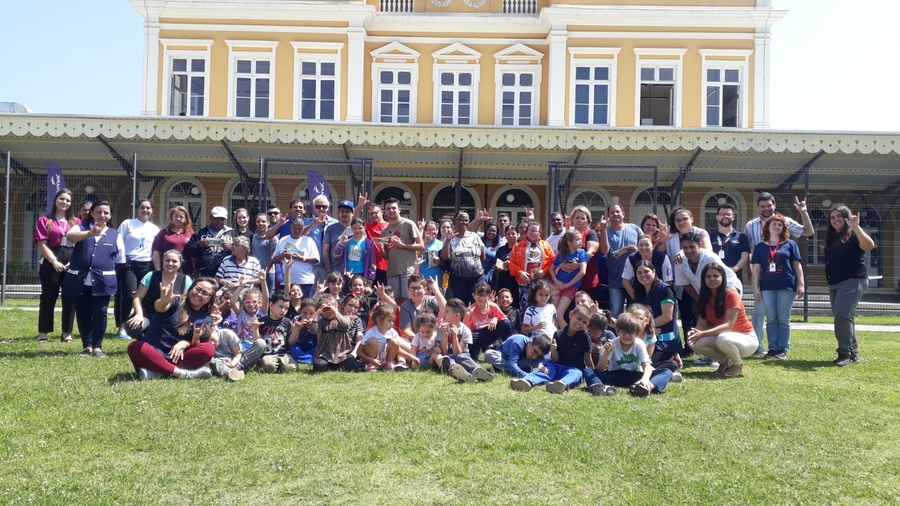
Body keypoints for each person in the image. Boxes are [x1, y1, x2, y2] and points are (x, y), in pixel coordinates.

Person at [743, 192, 814, 354]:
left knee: (780, 317)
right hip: (761, 275)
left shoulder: (784, 221)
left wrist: (803, 211)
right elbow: (748, 250)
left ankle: (781, 348)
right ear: (757, 208)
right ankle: (758, 346)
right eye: (762, 206)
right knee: (759, 313)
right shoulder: (751, 225)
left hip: (783, 277)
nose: (766, 209)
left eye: (769, 205)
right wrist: (750, 272)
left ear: (774, 205)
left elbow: (808, 232)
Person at [62, 200, 124, 357]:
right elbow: (70, 237)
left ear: (110, 215)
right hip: (79, 280)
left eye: (106, 213)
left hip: (103, 282)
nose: (102, 215)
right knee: (82, 313)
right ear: (91, 213)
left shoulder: (115, 234)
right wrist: (90, 233)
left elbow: (119, 260)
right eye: (98, 212)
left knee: (100, 312)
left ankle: (97, 346)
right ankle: (87, 345)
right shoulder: (80, 228)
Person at [126, 277, 219, 379]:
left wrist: (184, 343)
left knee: (209, 348)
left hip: (178, 358)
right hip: (154, 352)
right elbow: (160, 307)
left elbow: (197, 342)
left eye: (205, 293)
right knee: (135, 347)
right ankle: (180, 374)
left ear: (210, 299)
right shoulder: (176, 301)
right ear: (191, 288)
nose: (199, 294)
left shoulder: (205, 318)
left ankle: (160, 372)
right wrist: (164, 301)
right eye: (197, 289)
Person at [822, 204, 876, 366]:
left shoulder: (853, 234)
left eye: (839, 216)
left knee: (841, 315)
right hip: (835, 283)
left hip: (853, 281)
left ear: (847, 217)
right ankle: (852, 352)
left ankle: (844, 353)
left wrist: (856, 227)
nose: (835, 220)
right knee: (844, 317)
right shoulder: (832, 237)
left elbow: (869, 246)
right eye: (832, 217)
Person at [673, 231, 740, 361]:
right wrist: (701, 301)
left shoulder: (710, 257)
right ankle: (714, 356)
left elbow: (722, 279)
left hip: (728, 289)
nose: (688, 250)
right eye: (685, 247)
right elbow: (686, 285)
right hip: (706, 294)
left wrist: (716, 300)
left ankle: (729, 354)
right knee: (708, 323)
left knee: (722, 323)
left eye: (692, 247)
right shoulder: (680, 262)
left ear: (699, 245)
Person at [688, 263, 757, 377]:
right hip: (725, 338)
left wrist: (703, 333)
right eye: (708, 277)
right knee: (693, 341)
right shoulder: (704, 298)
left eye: (716, 276)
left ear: (722, 277)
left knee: (723, 338)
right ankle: (724, 363)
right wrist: (694, 333)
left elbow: (728, 326)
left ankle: (737, 365)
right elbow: (701, 324)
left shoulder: (731, 295)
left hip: (746, 340)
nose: (712, 279)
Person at [751, 214, 804, 359]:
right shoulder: (760, 246)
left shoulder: (790, 244)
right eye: (774, 224)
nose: (777, 227)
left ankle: (782, 349)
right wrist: (756, 288)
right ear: (767, 227)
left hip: (786, 286)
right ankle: (773, 348)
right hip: (766, 286)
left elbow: (797, 265)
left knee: (783, 318)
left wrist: (801, 284)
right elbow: (756, 270)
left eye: (780, 225)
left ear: (784, 228)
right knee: (771, 318)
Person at [584, 313, 674, 397]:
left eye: (631, 332)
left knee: (667, 372)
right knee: (588, 371)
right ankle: (601, 388)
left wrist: (645, 379)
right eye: (623, 332)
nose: (627, 336)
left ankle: (646, 387)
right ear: (617, 331)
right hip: (615, 375)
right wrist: (606, 353)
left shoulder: (639, 344)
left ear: (637, 334)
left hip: (636, 375)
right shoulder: (613, 343)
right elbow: (600, 369)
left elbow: (646, 366)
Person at [509, 305, 593, 394]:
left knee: (577, 374)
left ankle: (561, 384)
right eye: (578, 319)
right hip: (557, 366)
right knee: (547, 369)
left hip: (573, 368)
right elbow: (555, 359)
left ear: (587, 324)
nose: (580, 323)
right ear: (571, 314)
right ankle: (527, 381)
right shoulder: (558, 334)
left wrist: (593, 373)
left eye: (584, 322)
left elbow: (588, 357)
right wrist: (553, 351)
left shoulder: (585, 337)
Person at [34, 188, 78, 343]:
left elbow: (80, 246)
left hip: (71, 263)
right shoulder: (44, 220)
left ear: (71, 203)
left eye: (67, 200)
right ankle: (43, 333)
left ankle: (67, 332)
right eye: (61, 199)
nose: (64, 202)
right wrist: (54, 262)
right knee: (48, 297)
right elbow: (42, 244)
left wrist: (73, 262)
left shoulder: (76, 222)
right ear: (55, 200)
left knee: (70, 298)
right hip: (50, 262)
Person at [114, 199, 160, 339]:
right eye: (142, 208)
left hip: (147, 265)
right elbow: (118, 242)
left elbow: (156, 250)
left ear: (152, 210)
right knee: (128, 295)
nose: (145, 210)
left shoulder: (154, 229)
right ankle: (121, 327)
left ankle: (136, 324)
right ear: (137, 209)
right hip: (130, 264)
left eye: (148, 208)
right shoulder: (128, 224)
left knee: (144, 297)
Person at [125, 249, 192, 338]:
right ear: (162, 261)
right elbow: (137, 298)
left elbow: (186, 303)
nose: (170, 263)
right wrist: (138, 314)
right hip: (150, 315)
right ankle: (145, 341)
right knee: (133, 326)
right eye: (167, 260)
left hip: (172, 318)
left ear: (180, 264)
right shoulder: (151, 275)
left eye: (174, 261)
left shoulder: (186, 279)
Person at [631, 259, 681, 364]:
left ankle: (671, 362)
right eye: (639, 273)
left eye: (646, 271)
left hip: (665, 341)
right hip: (646, 337)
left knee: (646, 363)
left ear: (654, 271)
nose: (643, 275)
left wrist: (647, 327)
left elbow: (667, 316)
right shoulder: (640, 292)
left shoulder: (665, 290)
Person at [435, 298, 494, 383]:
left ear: (457, 316)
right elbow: (444, 352)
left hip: (462, 355)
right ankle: (463, 375)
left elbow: (458, 353)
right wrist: (445, 335)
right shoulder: (442, 328)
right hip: (449, 357)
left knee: (461, 358)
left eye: (447, 311)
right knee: (447, 360)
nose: (444, 313)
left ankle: (479, 371)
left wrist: (455, 337)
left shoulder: (465, 330)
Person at [379, 197, 424, 304]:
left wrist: (402, 245)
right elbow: (386, 256)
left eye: (393, 208)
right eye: (388, 208)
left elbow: (421, 246)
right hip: (392, 271)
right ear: (384, 211)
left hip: (408, 270)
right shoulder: (384, 231)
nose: (391, 210)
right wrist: (381, 249)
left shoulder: (408, 224)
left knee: (409, 300)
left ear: (399, 209)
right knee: (394, 301)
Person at [601, 203, 641, 317]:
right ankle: (614, 335)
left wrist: (637, 249)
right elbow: (604, 251)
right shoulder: (606, 232)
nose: (615, 214)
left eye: (618, 211)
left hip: (635, 281)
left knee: (635, 315)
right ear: (608, 216)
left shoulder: (634, 228)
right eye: (612, 212)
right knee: (615, 315)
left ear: (623, 214)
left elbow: (645, 247)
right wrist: (603, 230)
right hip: (615, 281)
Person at [312, 293, 365, 372]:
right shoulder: (321, 322)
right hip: (326, 354)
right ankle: (331, 366)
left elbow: (346, 324)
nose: (328, 311)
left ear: (336, 305)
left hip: (342, 354)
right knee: (318, 366)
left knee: (358, 368)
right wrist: (317, 314)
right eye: (325, 309)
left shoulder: (344, 318)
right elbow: (314, 331)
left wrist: (335, 312)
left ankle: (337, 365)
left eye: (330, 307)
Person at [441, 211, 485, 305]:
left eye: (466, 220)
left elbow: (482, 256)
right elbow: (445, 257)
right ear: (455, 221)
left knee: (477, 304)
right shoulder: (450, 238)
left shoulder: (475, 236)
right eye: (462, 220)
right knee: (461, 305)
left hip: (477, 278)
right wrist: (448, 241)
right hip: (458, 280)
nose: (464, 223)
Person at [509, 221, 555, 313]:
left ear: (539, 232)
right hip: (524, 283)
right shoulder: (518, 246)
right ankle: (525, 327)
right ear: (527, 232)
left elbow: (552, 261)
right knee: (525, 308)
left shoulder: (546, 245)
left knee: (541, 307)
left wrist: (545, 271)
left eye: (535, 231)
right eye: (531, 231)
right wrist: (520, 272)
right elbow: (512, 264)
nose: (533, 233)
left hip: (542, 282)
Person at [465, 282, 513, 360]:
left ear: (488, 296)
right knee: (469, 336)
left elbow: (505, 321)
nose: (481, 298)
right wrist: (467, 317)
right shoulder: (470, 310)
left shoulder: (493, 306)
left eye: (484, 295)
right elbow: (465, 331)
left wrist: (495, 318)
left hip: (491, 331)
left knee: (506, 323)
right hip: (478, 334)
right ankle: (474, 354)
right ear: (474, 295)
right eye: (479, 295)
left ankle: (508, 351)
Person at [273, 217, 320, 296]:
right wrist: (282, 256)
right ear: (291, 227)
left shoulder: (309, 241)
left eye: (300, 228)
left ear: (303, 228)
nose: (297, 231)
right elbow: (274, 259)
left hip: (304, 281)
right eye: (295, 228)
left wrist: (301, 258)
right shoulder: (283, 240)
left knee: (304, 306)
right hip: (285, 282)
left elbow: (316, 259)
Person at [567, 206, 604, 304]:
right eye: (577, 217)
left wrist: (580, 264)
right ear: (572, 219)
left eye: (583, 218)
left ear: (588, 220)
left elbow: (591, 251)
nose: (580, 220)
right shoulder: (568, 234)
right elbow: (562, 252)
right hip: (569, 281)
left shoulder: (590, 233)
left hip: (588, 280)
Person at [551, 231, 588, 328]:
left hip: (571, 287)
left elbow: (582, 272)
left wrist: (568, 285)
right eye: (578, 239)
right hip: (558, 285)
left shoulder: (581, 253)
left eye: (581, 239)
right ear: (569, 243)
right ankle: (553, 337)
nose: (581, 241)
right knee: (552, 314)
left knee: (559, 314)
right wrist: (556, 281)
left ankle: (567, 336)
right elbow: (551, 269)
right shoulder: (562, 254)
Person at [185, 206, 234, 279]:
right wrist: (200, 244)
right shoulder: (200, 233)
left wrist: (230, 248)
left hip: (226, 273)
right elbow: (189, 251)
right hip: (205, 273)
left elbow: (241, 253)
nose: (219, 222)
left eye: (222, 219)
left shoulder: (232, 233)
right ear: (210, 217)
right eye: (216, 219)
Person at [622, 234, 673, 302]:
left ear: (653, 246)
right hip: (639, 292)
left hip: (658, 293)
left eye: (647, 245)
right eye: (641, 245)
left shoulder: (662, 258)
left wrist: (660, 298)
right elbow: (625, 281)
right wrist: (636, 299)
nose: (644, 248)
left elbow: (668, 281)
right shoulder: (632, 258)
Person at [710, 204, 751, 281]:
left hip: (735, 277)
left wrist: (733, 270)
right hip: (715, 277)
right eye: (722, 214)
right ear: (717, 217)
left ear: (733, 217)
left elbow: (744, 257)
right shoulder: (711, 237)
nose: (725, 216)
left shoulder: (742, 237)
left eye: (728, 214)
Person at [398, 274, 446, 340]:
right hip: (415, 341)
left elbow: (445, 312)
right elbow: (406, 330)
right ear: (408, 290)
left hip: (435, 339)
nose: (415, 291)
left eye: (418, 288)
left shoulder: (432, 300)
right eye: (412, 288)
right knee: (396, 342)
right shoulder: (405, 306)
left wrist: (437, 291)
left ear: (425, 289)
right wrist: (421, 341)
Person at [331, 217, 377, 286]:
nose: (357, 230)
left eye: (360, 228)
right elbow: (335, 257)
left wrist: (369, 281)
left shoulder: (369, 243)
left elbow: (372, 263)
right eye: (355, 228)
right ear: (351, 228)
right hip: (347, 274)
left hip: (361, 275)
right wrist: (342, 244)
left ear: (364, 227)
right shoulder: (346, 240)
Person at [485, 333, 551, 378]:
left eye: (539, 356)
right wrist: (526, 376)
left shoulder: (534, 352)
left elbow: (543, 359)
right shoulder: (518, 342)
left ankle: (499, 368)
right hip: (504, 357)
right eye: (535, 351)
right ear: (530, 343)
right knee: (488, 354)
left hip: (518, 362)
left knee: (538, 363)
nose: (534, 356)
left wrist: (541, 365)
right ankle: (521, 369)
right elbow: (511, 363)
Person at [152, 205, 193, 270]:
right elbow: (156, 252)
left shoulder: (190, 234)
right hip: (168, 268)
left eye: (181, 217)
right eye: (176, 216)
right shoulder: (163, 233)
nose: (178, 218)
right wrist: (158, 271)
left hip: (186, 269)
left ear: (185, 219)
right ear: (171, 217)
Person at [322, 200, 356, 275]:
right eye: (342, 211)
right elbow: (325, 251)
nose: (344, 214)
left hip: (355, 271)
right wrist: (328, 271)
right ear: (339, 213)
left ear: (352, 213)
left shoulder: (357, 228)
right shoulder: (331, 228)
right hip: (335, 271)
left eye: (347, 211)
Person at [492, 226, 520, 306]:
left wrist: (511, 264)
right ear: (505, 236)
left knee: (515, 305)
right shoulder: (501, 250)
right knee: (502, 304)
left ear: (518, 235)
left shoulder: (521, 249)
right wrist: (499, 267)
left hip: (516, 282)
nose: (511, 236)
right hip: (503, 281)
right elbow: (495, 263)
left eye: (513, 234)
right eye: (508, 234)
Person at [365, 202, 390, 285]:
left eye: (376, 212)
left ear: (382, 212)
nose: (373, 215)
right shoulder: (367, 226)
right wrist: (359, 206)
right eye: (371, 214)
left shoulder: (390, 226)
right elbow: (353, 221)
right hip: (371, 265)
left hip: (386, 265)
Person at [251, 212, 277, 292]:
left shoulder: (273, 238)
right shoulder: (254, 236)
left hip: (268, 273)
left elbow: (273, 257)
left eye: (263, 221)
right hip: (255, 273)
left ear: (268, 222)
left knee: (268, 297)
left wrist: (265, 271)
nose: (260, 224)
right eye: (258, 222)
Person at [481, 222, 501, 287]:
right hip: (478, 272)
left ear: (497, 233)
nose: (491, 232)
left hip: (490, 274)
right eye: (489, 230)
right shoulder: (479, 241)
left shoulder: (498, 247)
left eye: (494, 231)